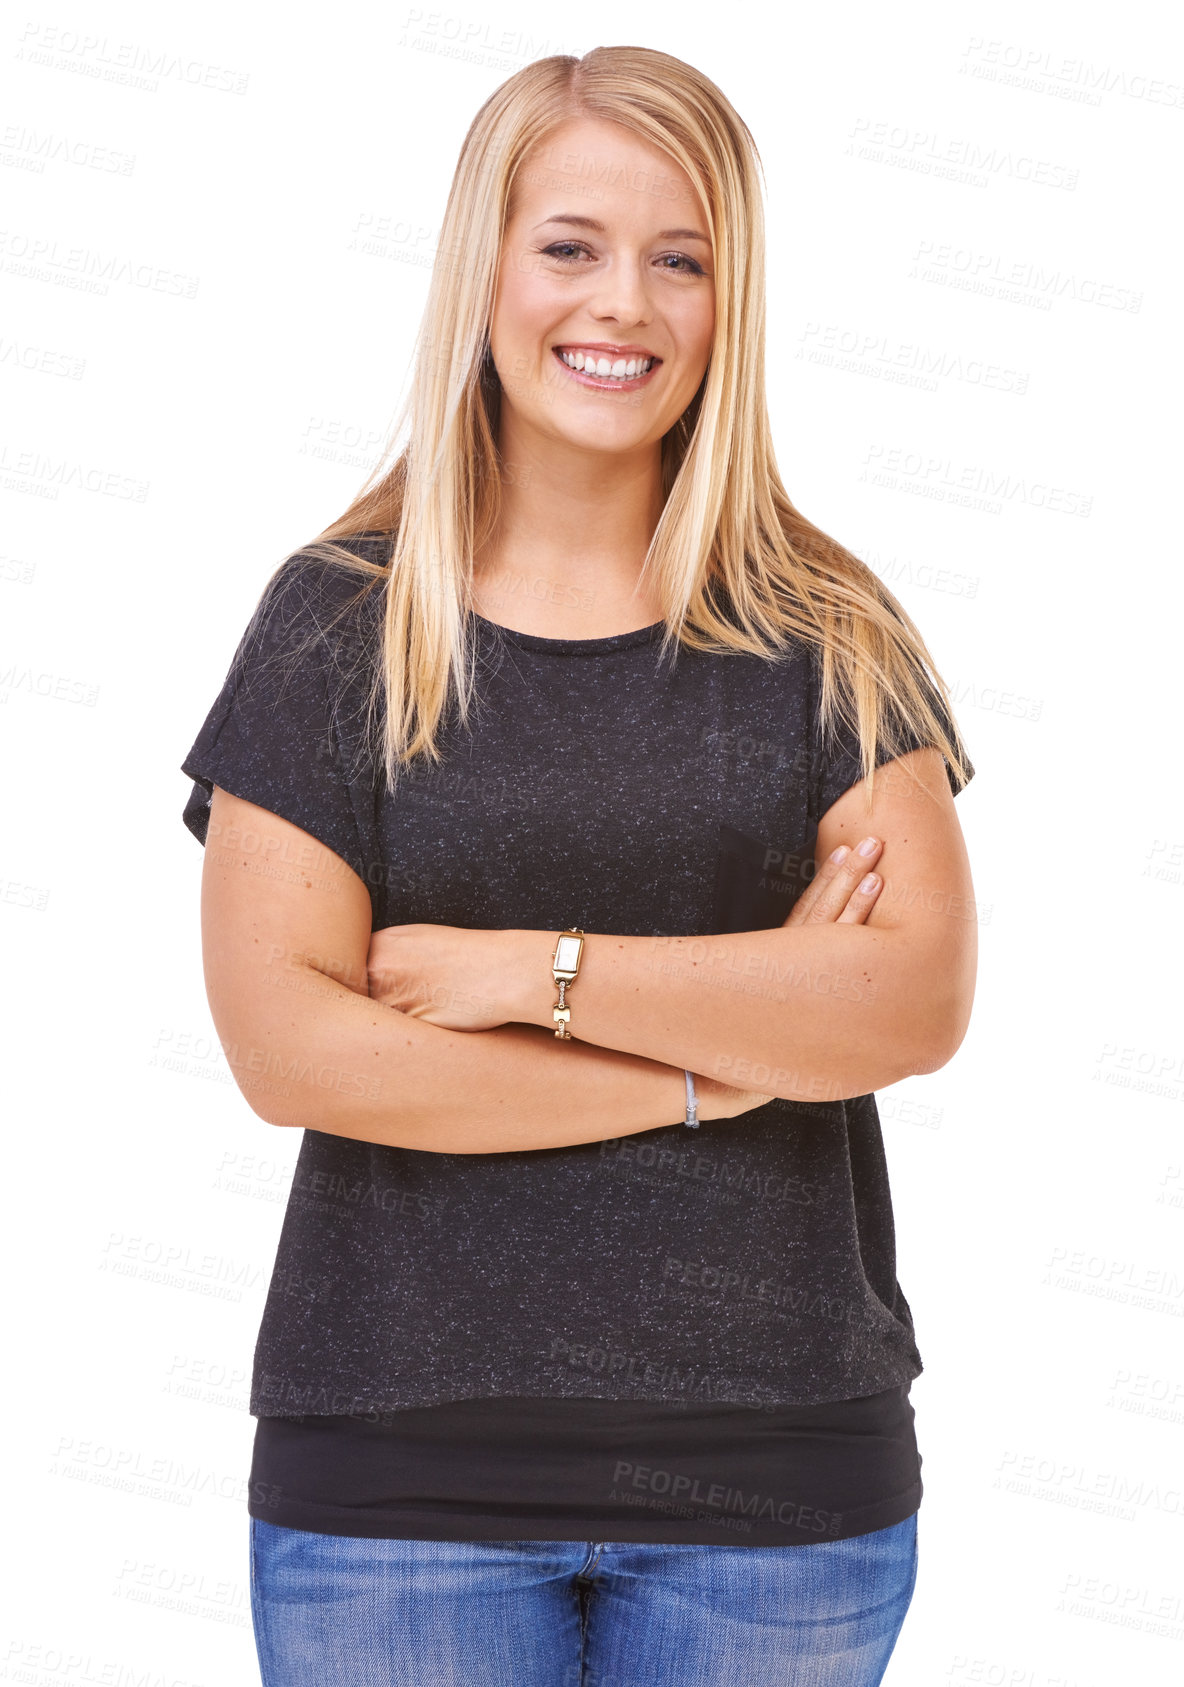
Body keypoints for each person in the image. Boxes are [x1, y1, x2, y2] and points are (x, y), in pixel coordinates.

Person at [180, 44, 977, 1687]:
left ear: (727, 300)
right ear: (485, 268)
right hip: (400, 1479)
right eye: (571, 246)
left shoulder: (828, 632)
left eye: (680, 259)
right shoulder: (340, 622)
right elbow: (294, 1051)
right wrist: (722, 1071)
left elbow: (905, 999)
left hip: (778, 1488)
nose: (623, 304)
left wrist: (528, 974)